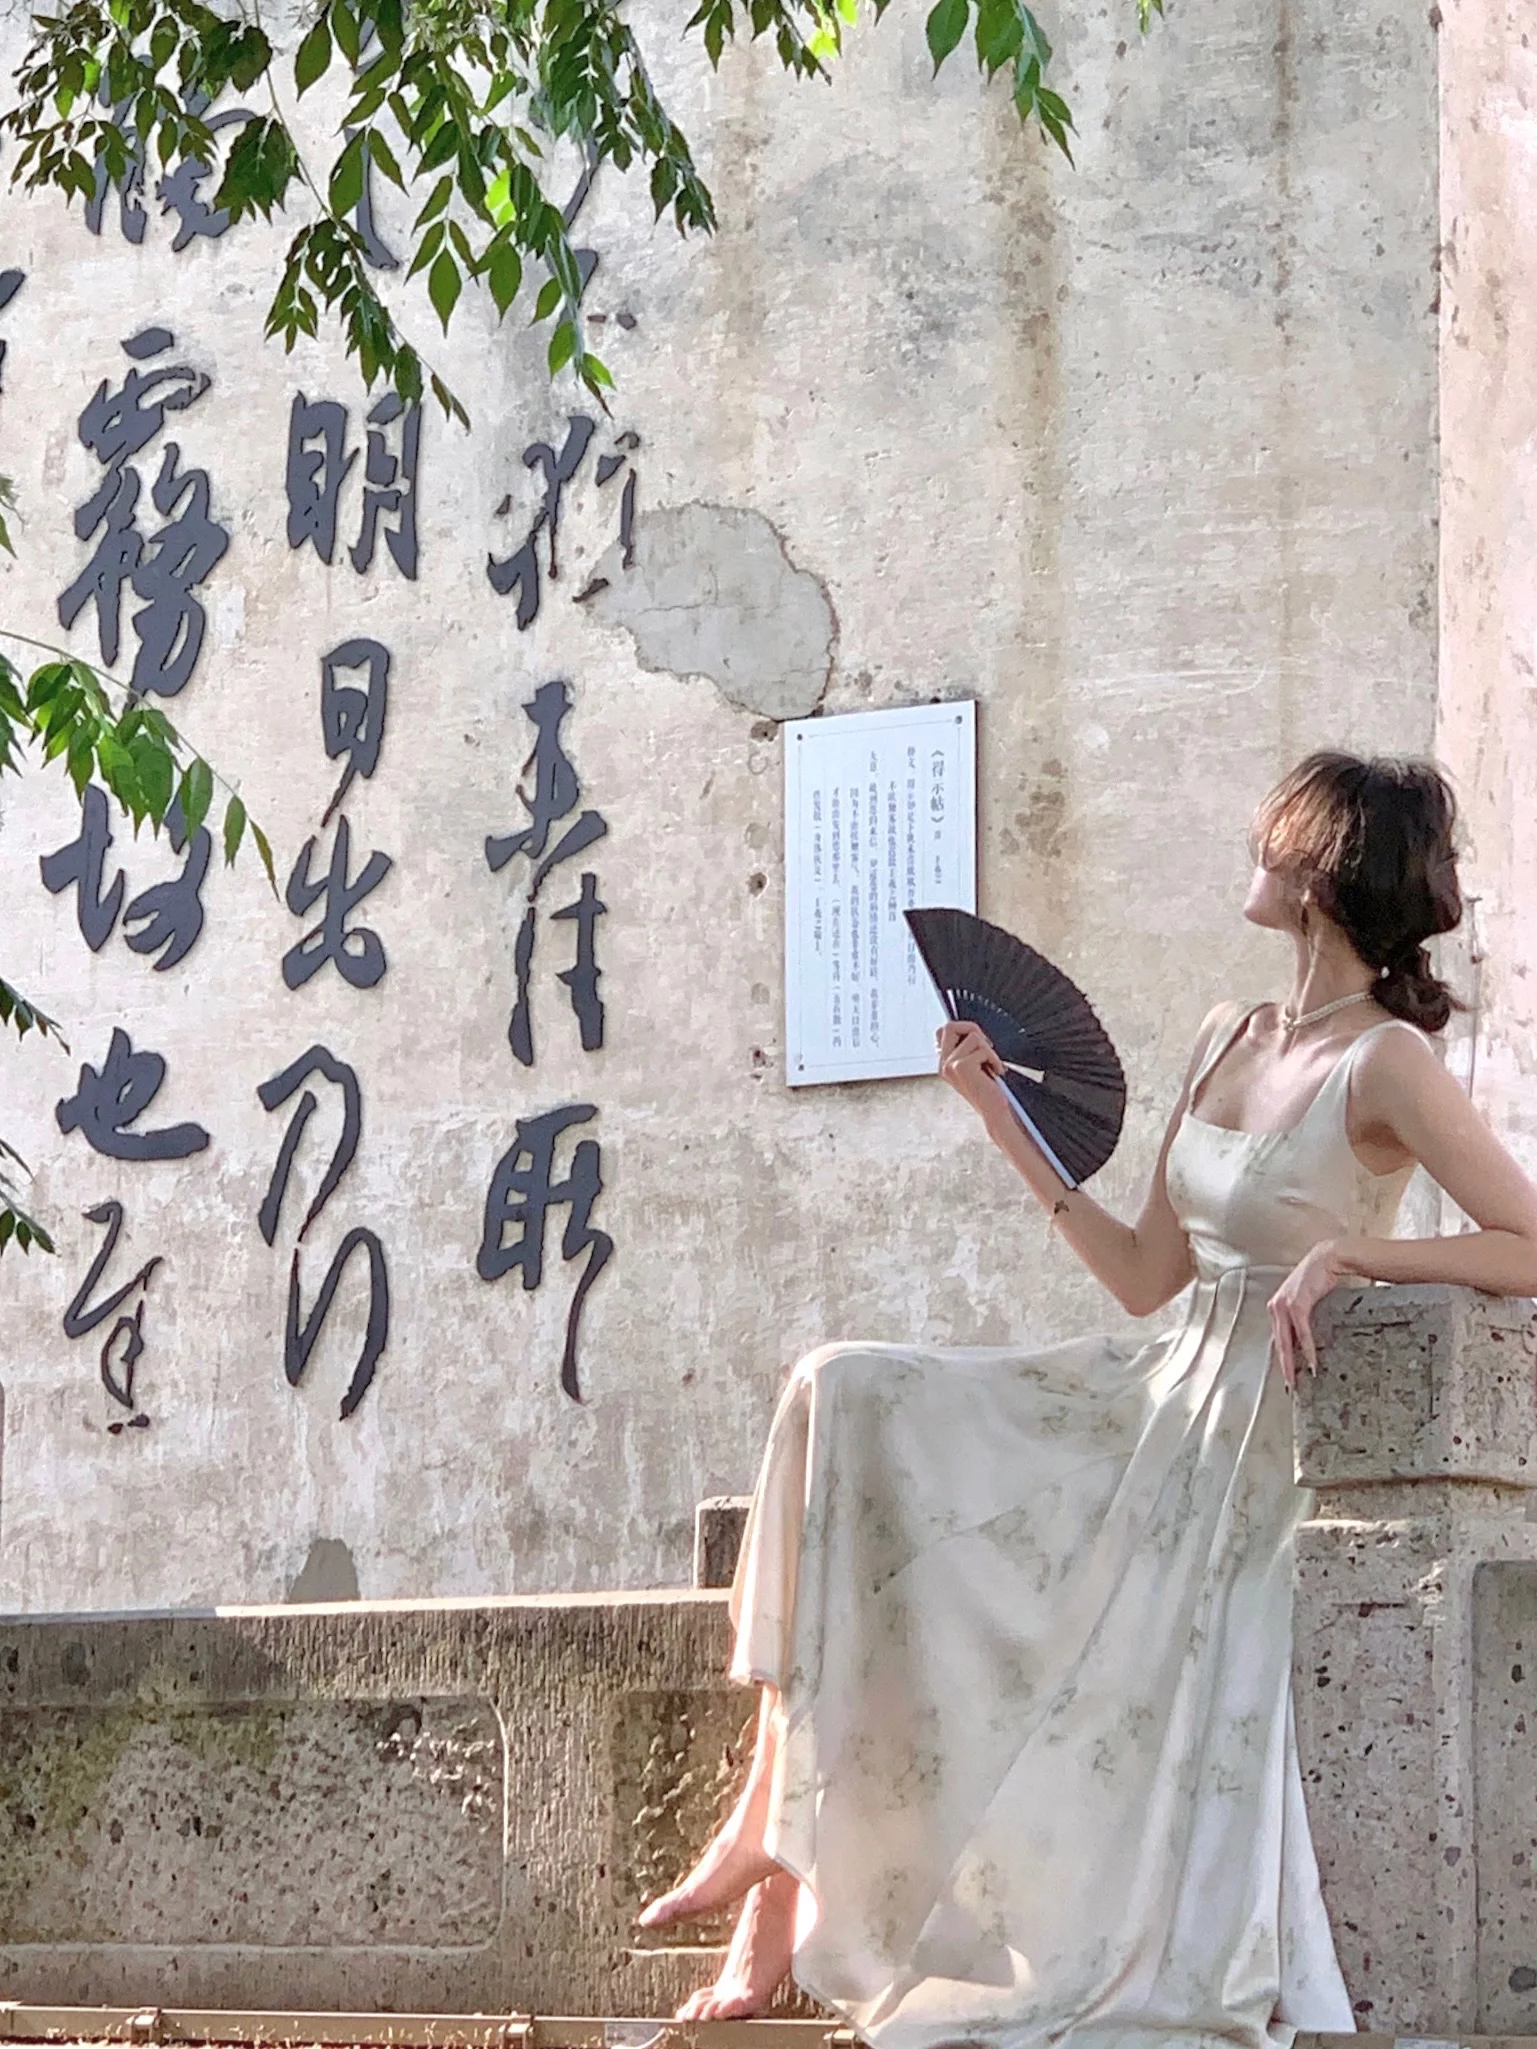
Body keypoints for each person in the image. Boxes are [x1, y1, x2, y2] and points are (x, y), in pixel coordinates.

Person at [639, 751, 1537, 2049]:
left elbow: (1529, 1244)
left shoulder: (1387, 1063)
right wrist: (998, 1115)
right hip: (1156, 1384)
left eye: (1275, 838)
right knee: (842, 1390)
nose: (1254, 852)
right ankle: (770, 1848)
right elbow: (1143, 1276)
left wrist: (1356, 1254)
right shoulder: (1229, 1035)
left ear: (1322, 878)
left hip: (1252, 1436)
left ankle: (770, 1883)